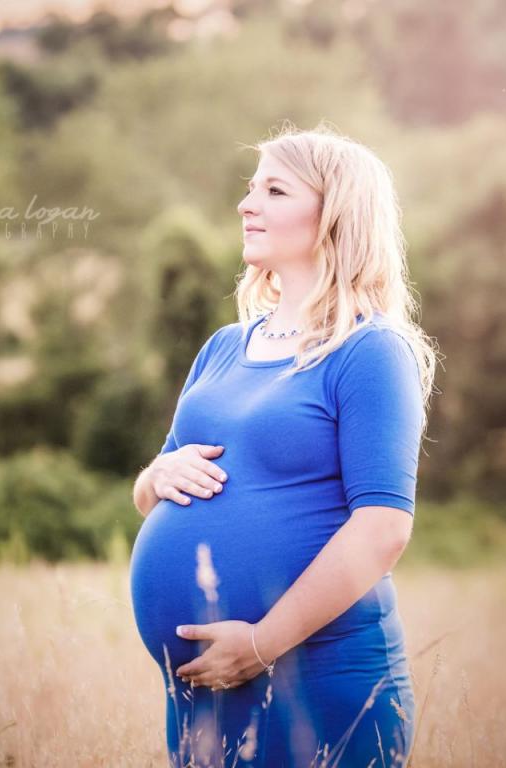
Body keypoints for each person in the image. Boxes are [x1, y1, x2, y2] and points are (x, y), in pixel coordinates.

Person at [129, 121, 439, 768]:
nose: (247, 204)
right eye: (250, 189)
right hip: (202, 695)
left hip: (318, 683)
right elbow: (149, 493)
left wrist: (262, 644)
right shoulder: (223, 347)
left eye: (274, 190)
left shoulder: (370, 351)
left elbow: (383, 527)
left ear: (335, 216)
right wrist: (157, 476)